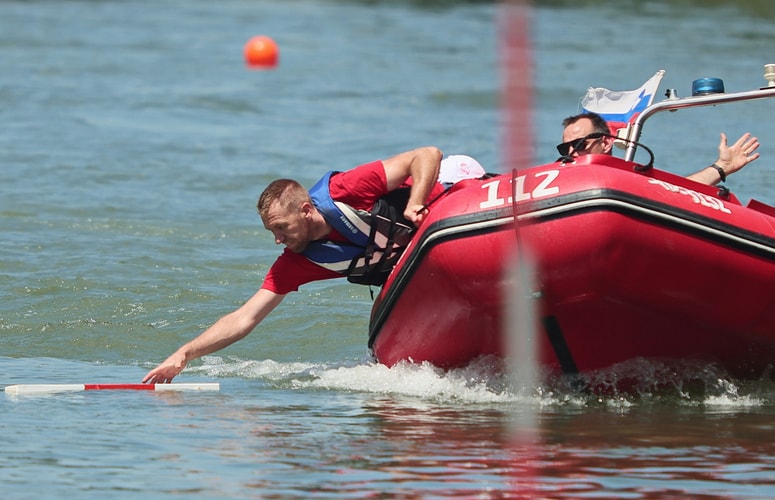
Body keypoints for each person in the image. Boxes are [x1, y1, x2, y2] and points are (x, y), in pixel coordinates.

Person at [142, 147, 485, 384]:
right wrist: (184, 354)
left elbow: (427, 154)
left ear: (306, 211)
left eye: (282, 227)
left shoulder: (345, 190)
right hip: (429, 271)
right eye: (271, 231)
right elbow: (244, 318)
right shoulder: (296, 263)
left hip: (455, 201)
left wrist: (416, 204)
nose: (277, 239)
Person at [558, 112, 760, 185]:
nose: (572, 153)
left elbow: (678, 192)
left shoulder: (629, 177)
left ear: (606, 142)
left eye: (580, 144)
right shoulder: (555, 180)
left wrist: (721, 167)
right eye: (564, 148)